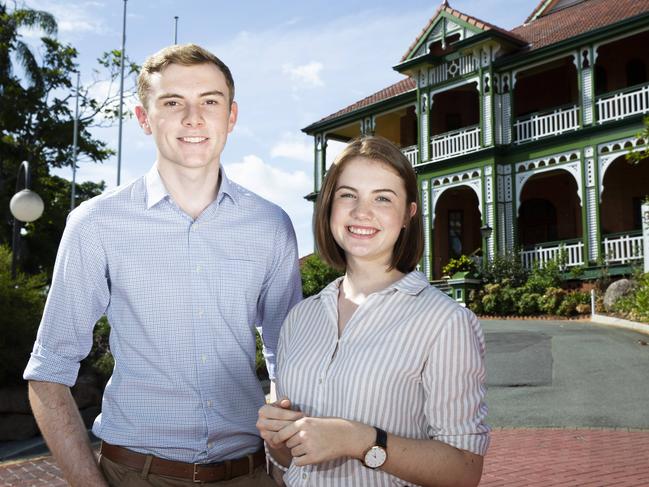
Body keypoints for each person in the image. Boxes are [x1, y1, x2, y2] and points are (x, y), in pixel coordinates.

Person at [24, 43, 302, 487]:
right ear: (143, 118)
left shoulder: (271, 225)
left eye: (210, 101)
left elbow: (289, 357)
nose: (193, 118)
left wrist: (287, 465)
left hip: (249, 474)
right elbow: (48, 372)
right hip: (134, 475)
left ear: (231, 117)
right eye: (173, 103)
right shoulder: (95, 224)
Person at [257, 136, 490, 487]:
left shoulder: (445, 323)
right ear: (329, 207)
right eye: (347, 195)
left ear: (408, 215)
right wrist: (279, 439)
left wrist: (358, 440)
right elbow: (291, 460)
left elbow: (464, 471)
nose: (361, 212)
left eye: (382, 198)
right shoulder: (300, 318)